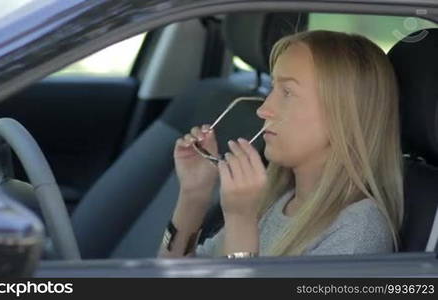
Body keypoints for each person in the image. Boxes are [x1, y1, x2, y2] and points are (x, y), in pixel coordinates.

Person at [158, 30, 403, 258]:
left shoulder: (358, 232)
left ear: (345, 114)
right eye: (272, 88)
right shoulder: (276, 200)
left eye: (287, 93)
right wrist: (193, 196)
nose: (263, 110)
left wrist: (241, 221)